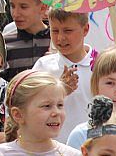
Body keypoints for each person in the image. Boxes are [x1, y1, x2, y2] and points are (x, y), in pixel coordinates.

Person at [34, 9, 97, 142]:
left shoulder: (100, 66)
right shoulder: (43, 66)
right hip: (54, 147)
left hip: (93, 146)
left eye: (68, 31)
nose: (60, 38)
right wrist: (59, 91)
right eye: (55, 31)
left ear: (85, 29)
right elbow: (31, 105)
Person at [0, 0, 50, 81]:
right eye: (12, 6)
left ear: (42, 8)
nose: (15, 13)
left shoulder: (57, 42)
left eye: (23, 7)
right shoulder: (4, 43)